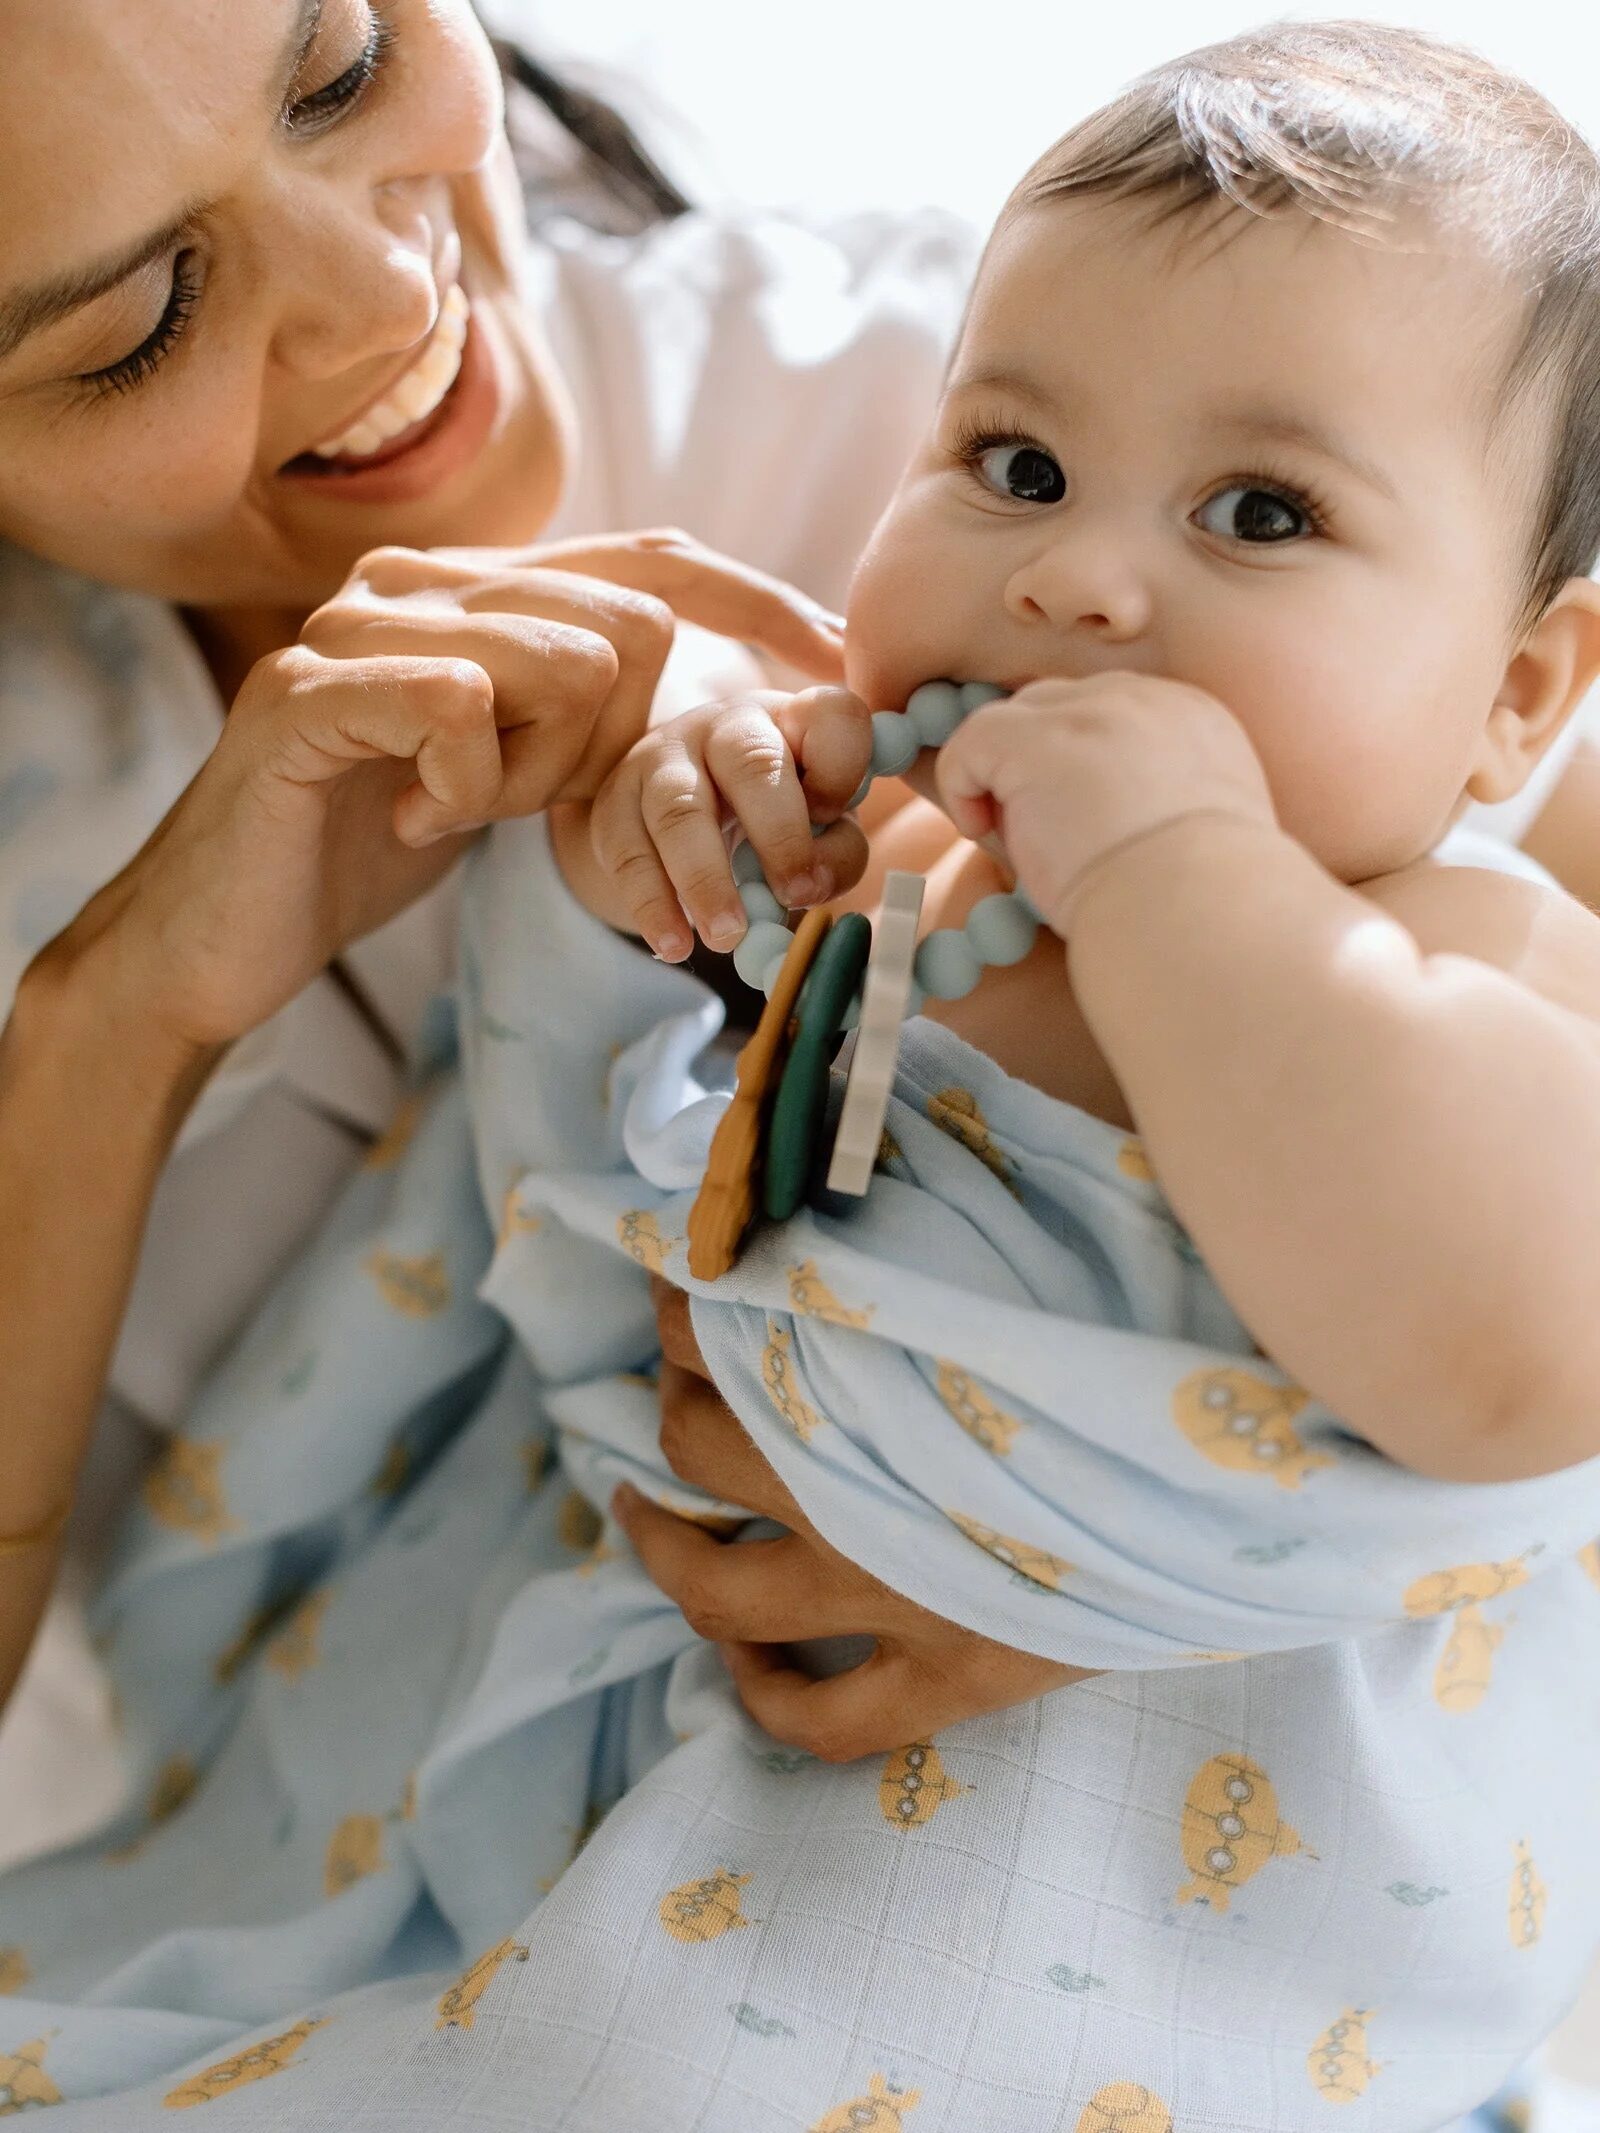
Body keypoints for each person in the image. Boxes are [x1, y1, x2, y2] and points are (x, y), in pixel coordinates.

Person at [4, 17, 1598, 2132]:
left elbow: (1519, 1320)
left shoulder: (1450, 929)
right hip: (648, 1839)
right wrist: (590, 902)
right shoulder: (883, 856)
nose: (1072, 575)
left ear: (1511, 698)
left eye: (335, 67)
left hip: (1159, 1902)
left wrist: (1120, 1542)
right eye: (131, 320)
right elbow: (640, 1179)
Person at [0, 0, 1013, 1858]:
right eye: (139, 324)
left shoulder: (982, 426)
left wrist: (1176, 1546)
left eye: (344, 67)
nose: (386, 298)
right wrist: (97, 1037)